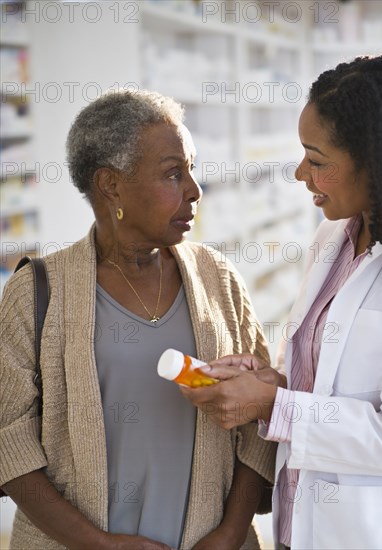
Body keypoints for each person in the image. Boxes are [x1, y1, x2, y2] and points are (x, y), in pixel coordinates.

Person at [181, 53, 382, 549]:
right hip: (300, 521)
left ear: (378, 164)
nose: (300, 173)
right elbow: (325, 383)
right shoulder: (332, 238)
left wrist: (273, 405)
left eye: (317, 161)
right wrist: (269, 381)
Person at [0, 90, 277, 549]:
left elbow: (259, 424)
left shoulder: (217, 279)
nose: (194, 190)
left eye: (191, 169)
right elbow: (9, 441)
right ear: (110, 185)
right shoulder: (36, 293)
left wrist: (228, 535)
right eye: (173, 174)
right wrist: (99, 544)